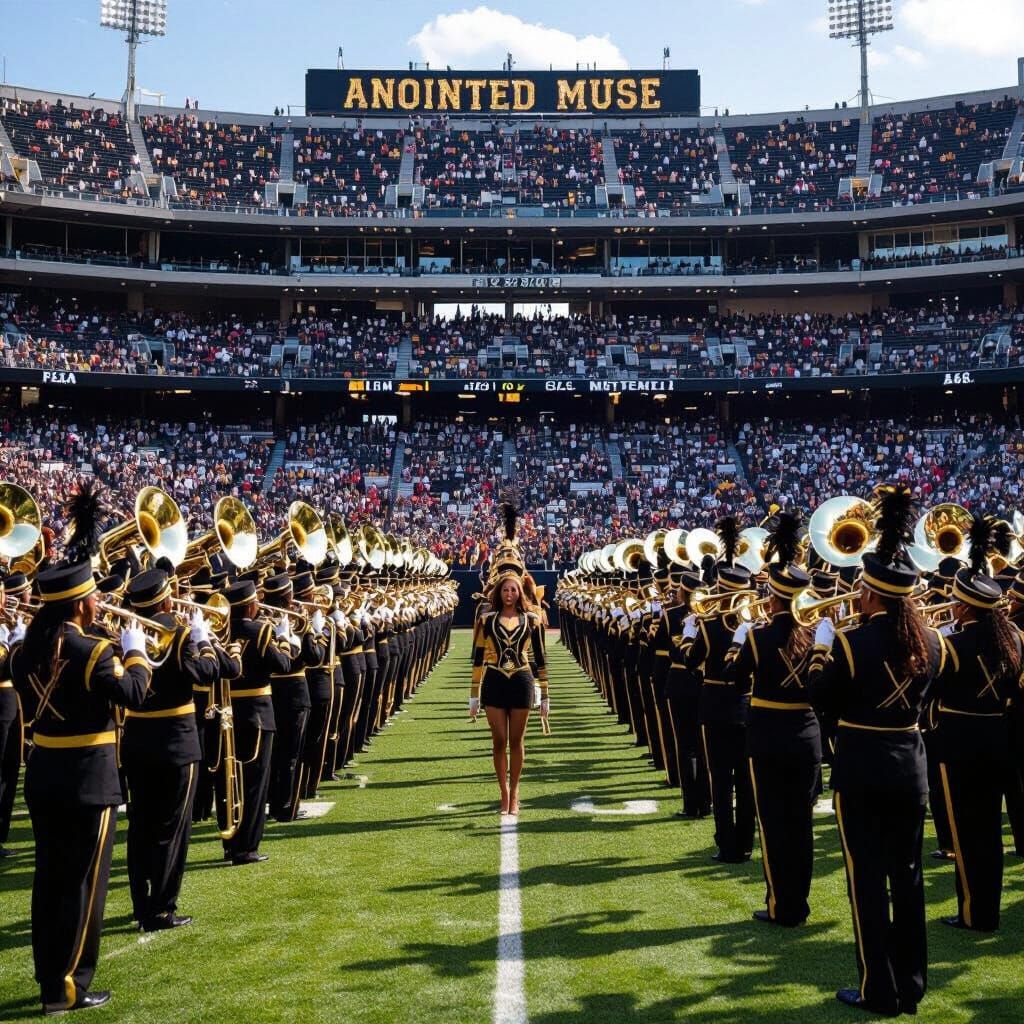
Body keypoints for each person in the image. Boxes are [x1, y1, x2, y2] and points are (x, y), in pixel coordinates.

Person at [10, 482, 151, 1015]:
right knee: (82, 887)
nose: (99, 602)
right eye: (93, 596)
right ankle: (69, 984)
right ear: (79, 603)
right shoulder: (95, 652)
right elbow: (134, 694)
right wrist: (135, 653)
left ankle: (51, 976)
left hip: (44, 771)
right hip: (88, 779)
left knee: (49, 881)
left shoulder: (26, 651)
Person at [808, 484, 945, 1018]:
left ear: (869, 591)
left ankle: (877, 989)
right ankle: (910, 985)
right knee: (907, 878)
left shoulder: (847, 641)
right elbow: (925, 696)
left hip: (861, 767)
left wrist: (821, 651)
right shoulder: (932, 642)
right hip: (910, 766)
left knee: (867, 881)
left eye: (861, 588)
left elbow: (821, 698)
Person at [119, 568, 227, 931]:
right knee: (171, 828)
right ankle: (161, 907)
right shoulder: (178, 634)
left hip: (135, 740)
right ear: (167, 598)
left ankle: (140, 903)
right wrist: (203, 638)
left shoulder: (125, 635)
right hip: (177, 740)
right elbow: (206, 672)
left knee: (141, 825)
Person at [726, 519, 821, 926]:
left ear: (773, 597)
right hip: (807, 737)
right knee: (801, 825)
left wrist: (738, 639)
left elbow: (734, 675)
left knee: (773, 825)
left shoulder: (757, 637)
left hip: (766, 738)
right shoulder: (819, 635)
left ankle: (780, 905)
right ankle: (799, 903)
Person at [933, 551, 1021, 932]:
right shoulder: (1015, 637)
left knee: (968, 833)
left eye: (957, 602)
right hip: (999, 737)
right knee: (990, 832)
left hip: (959, 743)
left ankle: (974, 912)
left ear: (967, 608)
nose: (953, 607)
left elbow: (931, 692)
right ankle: (989, 909)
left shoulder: (952, 645)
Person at [469, 571, 548, 814]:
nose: (509, 594)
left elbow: (541, 659)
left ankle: (514, 794)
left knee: (516, 740)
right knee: (499, 739)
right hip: (493, 680)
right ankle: (503, 792)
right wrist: (473, 694)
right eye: (505, 590)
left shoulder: (533, 619)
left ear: (520, 592)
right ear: (498, 593)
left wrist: (545, 694)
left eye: (514, 590)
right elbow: (478, 658)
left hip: (522, 681)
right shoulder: (486, 620)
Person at [0, 572, 31, 857]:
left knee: (9, 771)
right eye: (25, 594)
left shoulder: (15, 621)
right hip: (2, 698)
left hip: (13, 700)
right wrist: (15, 645)